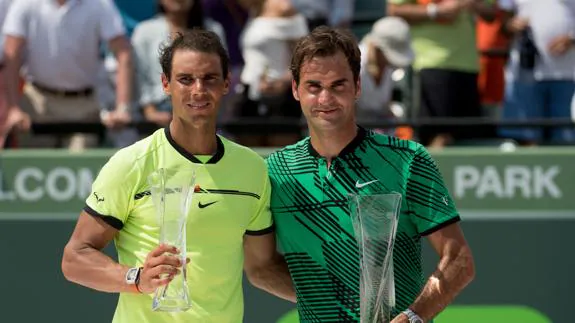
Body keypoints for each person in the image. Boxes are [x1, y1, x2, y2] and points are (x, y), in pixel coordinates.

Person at [61, 30, 295, 323]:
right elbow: (75, 258)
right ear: (166, 84)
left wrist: (337, 299)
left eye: (209, 78)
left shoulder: (252, 169)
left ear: (226, 84)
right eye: (185, 79)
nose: (198, 90)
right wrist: (137, 278)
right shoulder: (131, 163)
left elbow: (262, 268)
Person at [266, 27, 475, 323]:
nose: (326, 98)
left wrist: (412, 318)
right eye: (314, 86)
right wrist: (326, 296)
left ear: (357, 87)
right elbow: (259, 267)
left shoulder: (408, 159)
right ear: (295, 89)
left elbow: (460, 261)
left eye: (338, 85)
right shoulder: (275, 171)